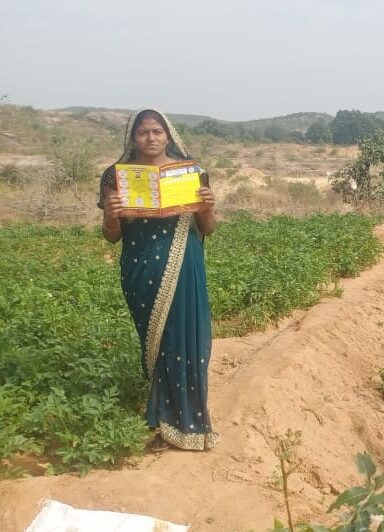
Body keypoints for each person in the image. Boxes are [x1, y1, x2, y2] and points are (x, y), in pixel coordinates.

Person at [98, 109, 218, 451]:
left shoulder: (191, 172)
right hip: (140, 267)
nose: (150, 138)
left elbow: (207, 228)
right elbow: (111, 236)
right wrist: (112, 216)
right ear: (132, 138)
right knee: (157, 342)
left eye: (157, 131)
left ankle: (186, 424)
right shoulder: (115, 177)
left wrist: (207, 207)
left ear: (169, 135)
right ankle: (162, 415)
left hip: (184, 262)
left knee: (186, 339)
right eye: (142, 132)